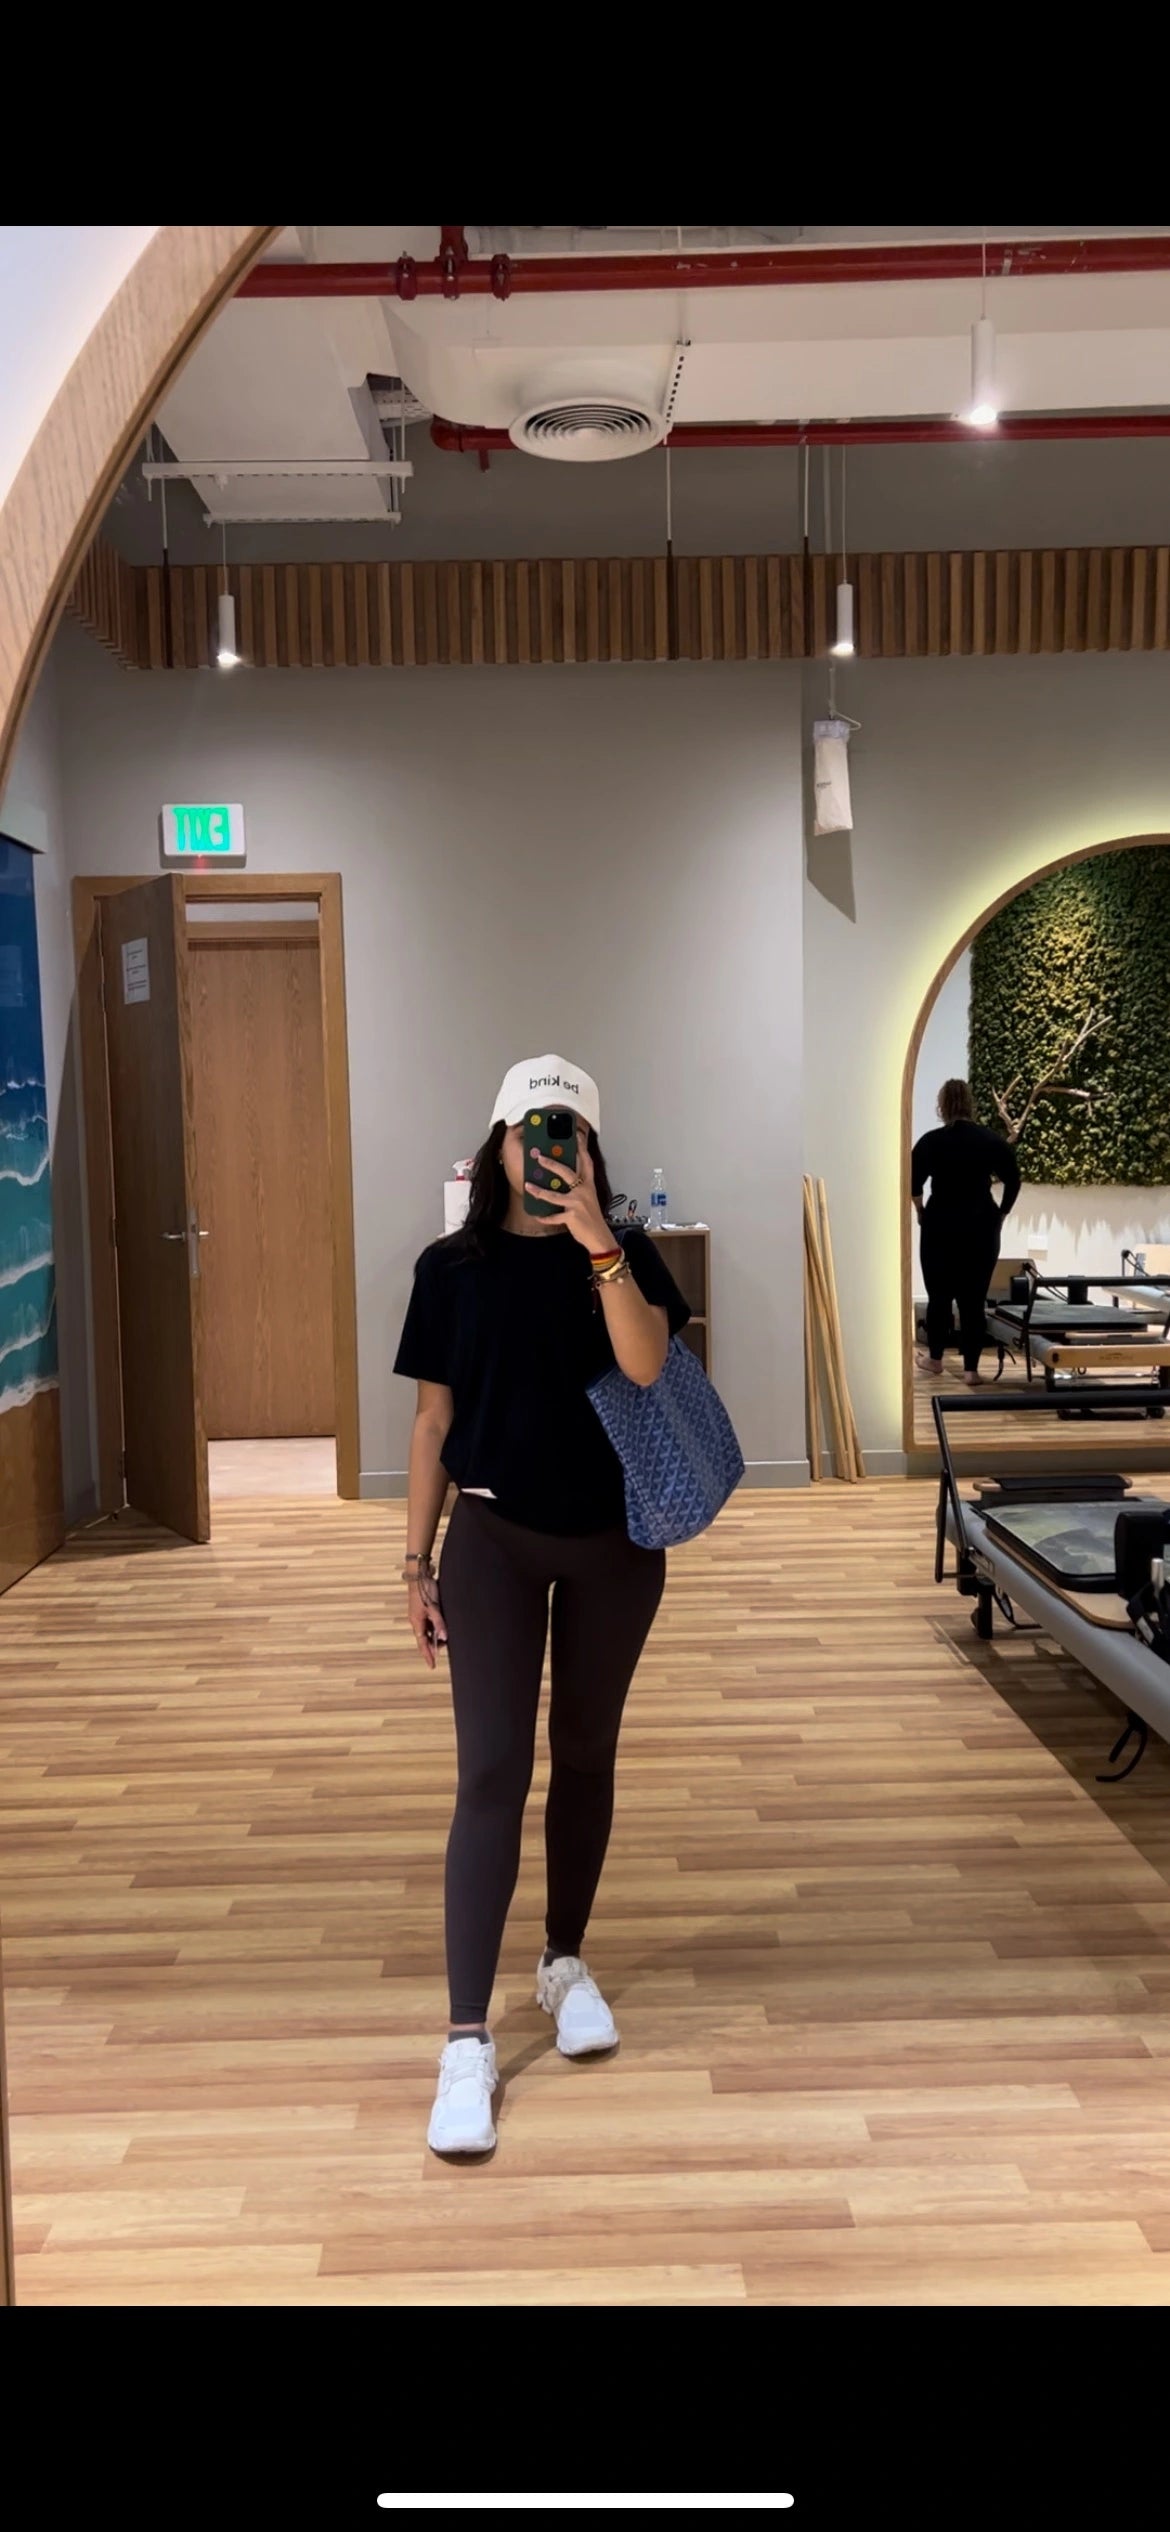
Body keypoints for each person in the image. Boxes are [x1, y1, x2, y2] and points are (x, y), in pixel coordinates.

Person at [393, 1055, 690, 2157]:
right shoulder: (450, 1268)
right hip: (493, 1543)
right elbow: (433, 1423)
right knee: (489, 1773)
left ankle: (563, 1962)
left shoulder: (624, 1254)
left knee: (587, 1755)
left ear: (592, 1149)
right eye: (532, 1128)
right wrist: (414, 1563)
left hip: (617, 1546)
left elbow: (647, 1368)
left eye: (569, 1129)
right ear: (499, 1142)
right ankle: (466, 2037)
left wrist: (599, 1240)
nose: (548, 1147)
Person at [911, 1078, 1020, 1385]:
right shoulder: (990, 1140)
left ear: (942, 1106)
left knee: (938, 1296)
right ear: (970, 1104)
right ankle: (971, 1370)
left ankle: (934, 1359)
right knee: (974, 1300)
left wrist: (920, 1210)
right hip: (981, 1225)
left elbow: (913, 1182)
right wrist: (1001, 1213)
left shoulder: (931, 1142)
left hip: (940, 1225)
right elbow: (1013, 1180)